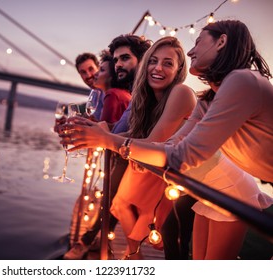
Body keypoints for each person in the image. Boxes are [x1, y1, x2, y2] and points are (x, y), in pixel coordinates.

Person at [61, 20, 273, 259]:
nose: (191, 51)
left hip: (230, 189)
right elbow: (172, 147)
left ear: (221, 42)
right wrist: (99, 136)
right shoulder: (209, 99)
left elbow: (182, 156)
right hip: (209, 190)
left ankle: (133, 255)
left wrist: (108, 140)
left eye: (198, 42)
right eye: (153, 61)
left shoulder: (242, 80)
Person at [63, 34, 151, 260]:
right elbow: (113, 125)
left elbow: (117, 131)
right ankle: (121, 251)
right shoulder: (125, 93)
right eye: (116, 60)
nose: (90, 76)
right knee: (118, 204)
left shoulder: (115, 94)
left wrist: (96, 132)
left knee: (117, 203)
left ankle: (95, 243)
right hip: (125, 153)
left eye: (97, 69)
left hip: (129, 157)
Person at [110, 36, 196, 259]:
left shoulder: (182, 93)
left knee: (173, 241)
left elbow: (152, 143)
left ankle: (135, 255)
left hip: (186, 178)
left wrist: (102, 138)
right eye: (153, 61)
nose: (157, 68)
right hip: (159, 166)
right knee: (120, 203)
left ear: (178, 71)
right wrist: (97, 132)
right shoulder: (149, 98)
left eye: (168, 63)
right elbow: (137, 136)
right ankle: (134, 256)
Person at [94, 50, 131, 123]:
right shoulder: (123, 93)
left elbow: (103, 131)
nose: (95, 73)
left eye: (101, 70)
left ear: (112, 76)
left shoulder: (112, 94)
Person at [75, 52, 104, 120]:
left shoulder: (108, 91)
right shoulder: (93, 92)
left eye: (91, 69)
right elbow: (93, 119)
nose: (88, 75)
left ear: (98, 68)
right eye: (83, 72)